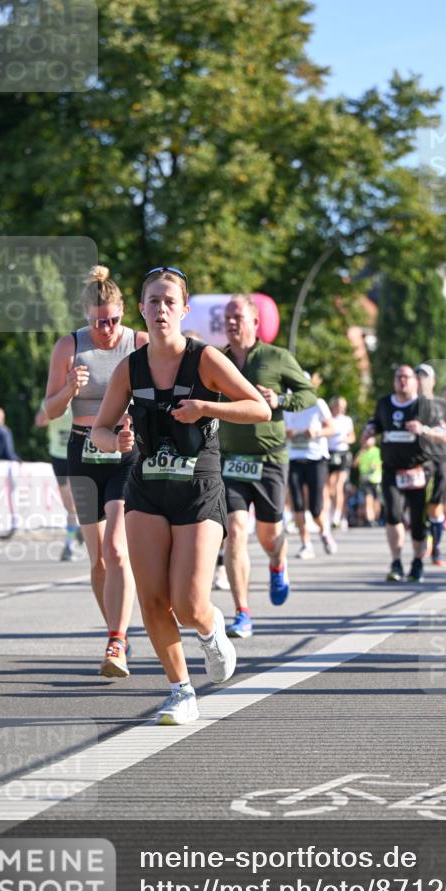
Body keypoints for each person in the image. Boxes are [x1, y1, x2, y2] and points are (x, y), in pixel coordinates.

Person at [91, 267, 270, 724]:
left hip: (198, 488)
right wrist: (117, 442)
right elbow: (99, 430)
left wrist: (206, 407)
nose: (161, 309)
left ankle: (210, 630)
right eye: (153, 301)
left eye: (170, 301)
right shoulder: (130, 368)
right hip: (147, 489)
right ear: (142, 309)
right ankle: (180, 691)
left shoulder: (204, 359)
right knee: (153, 600)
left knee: (189, 604)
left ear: (184, 309)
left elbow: (259, 408)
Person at [44, 264, 148, 677]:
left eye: (113, 320)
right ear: (86, 317)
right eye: (97, 322)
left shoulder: (138, 344)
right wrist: (69, 388)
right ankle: (116, 629)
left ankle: (116, 642)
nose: (106, 329)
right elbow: (50, 409)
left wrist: (136, 423)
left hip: (125, 453)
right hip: (83, 454)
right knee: (98, 560)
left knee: (116, 549)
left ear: (124, 312)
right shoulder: (69, 346)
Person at [218, 295, 317, 638]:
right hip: (230, 460)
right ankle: (242, 612)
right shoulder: (216, 360)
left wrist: (281, 399)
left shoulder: (277, 357)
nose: (231, 322)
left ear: (255, 322)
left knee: (269, 536)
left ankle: (277, 564)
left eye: (237, 317)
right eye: (227, 317)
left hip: (269, 459)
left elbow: (309, 394)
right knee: (234, 530)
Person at [361, 364, 446, 584]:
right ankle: (396, 562)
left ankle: (417, 562)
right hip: (392, 469)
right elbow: (375, 423)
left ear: (415, 381)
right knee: (393, 514)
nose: (402, 381)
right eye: (398, 377)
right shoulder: (384, 403)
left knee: (418, 521)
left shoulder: (426, 406)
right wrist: (369, 431)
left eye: (407, 377)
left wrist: (423, 430)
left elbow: (444, 433)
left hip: (419, 471)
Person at [285, 387, 337, 558]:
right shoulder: (286, 404)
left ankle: (324, 532)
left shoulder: (318, 403)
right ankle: (306, 544)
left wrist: (316, 432)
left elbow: (332, 428)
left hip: (316, 459)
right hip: (293, 459)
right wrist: (286, 433)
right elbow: (276, 430)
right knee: (297, 503)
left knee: (315, 508)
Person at [415, 363, 446, 566]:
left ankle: (435, 549)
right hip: (419, 461)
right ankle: (425, 542)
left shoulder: (442, 404)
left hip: (440, 460)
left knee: (435, 506)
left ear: (432, 381)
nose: (420, 380)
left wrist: (443, 432)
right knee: (419, 507)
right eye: (417, 376)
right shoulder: (411, 404)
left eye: (424, 376)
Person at [34, 402, 83, 561]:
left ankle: (69, 545)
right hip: (59, 456)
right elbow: (39, 421)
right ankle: (77, 529)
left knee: (78, 502)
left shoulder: (82, 399)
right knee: (69, 506)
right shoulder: (52, 398)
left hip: (78, 454)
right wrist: (50, 410)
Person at [326, 396, 356, 532]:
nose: (340, 409)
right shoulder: (328, 418)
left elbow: (352, 436)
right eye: (338, 406)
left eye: (342, 407)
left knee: (339, 485)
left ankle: (337, 517)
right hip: (329, 453)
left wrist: (346, 439)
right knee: (329, 486)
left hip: (342, 453)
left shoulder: (347, 420)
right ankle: (331, 512)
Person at [353, 435, 382, 526]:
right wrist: (361, 452)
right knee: (368, 498)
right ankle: (370, 519)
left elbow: (381, 463)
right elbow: (354, 464)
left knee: (376, 501)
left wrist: (375, 466)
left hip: (376, 479)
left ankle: (376, 518)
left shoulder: (377, 451)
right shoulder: (361, 452)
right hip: (365, 480)